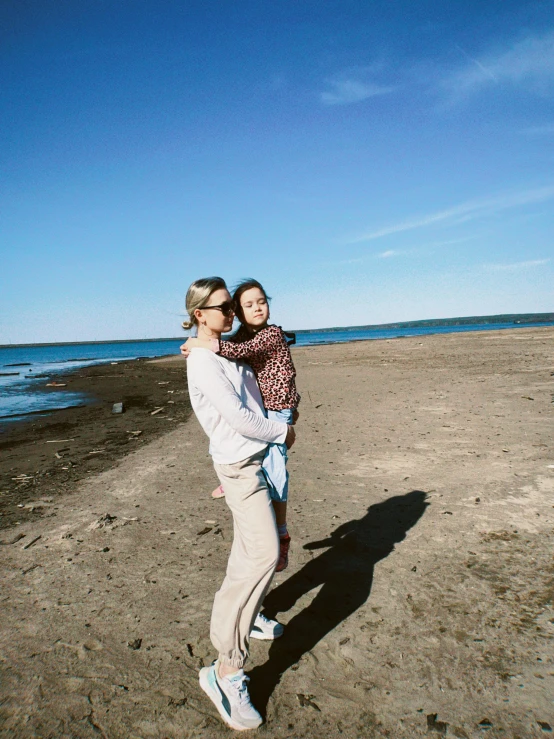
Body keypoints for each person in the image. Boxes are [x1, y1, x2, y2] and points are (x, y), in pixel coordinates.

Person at [183, 276, 296, 731]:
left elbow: (260, 394)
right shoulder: (205, 362)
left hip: (253, 465)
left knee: (245, 560)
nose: (231, 313)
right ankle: (226, 669)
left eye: (233, 306)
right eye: (223, 307)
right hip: (242, 469)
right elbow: (238, 419)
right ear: (199, 314)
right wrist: (282, 433)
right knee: (265, 555)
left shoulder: (223, 351)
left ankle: (240, 629)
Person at [182, 278, 300, 572]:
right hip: (263, 419)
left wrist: (197, 342)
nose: (257, 308)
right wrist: (198, 344)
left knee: (276, 469)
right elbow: (226, 351)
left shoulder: (270, 335)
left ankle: (282, 530)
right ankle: (236, 483)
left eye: (262, 302)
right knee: (252, 541)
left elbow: (230, 351)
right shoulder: (238, 340)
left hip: (277, 411)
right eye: (245, 305)